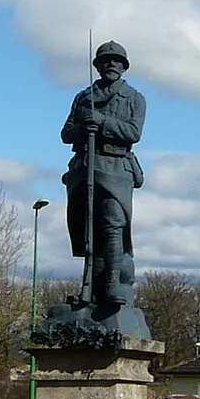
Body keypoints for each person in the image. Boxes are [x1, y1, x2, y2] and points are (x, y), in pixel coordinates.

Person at [61, 40, 145, 318]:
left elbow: (133, 133)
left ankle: (113, 284)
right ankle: (92, 290)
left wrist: (103, 122)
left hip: (116, 166)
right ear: (97, 66)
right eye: (105, 60)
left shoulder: (133, 97)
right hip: (86, 166)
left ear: (123, 66)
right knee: (89, 229)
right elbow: (66, 133)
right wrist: (84, 127)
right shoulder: (84, 97)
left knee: (113, 223)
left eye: (116, 60)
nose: (111, 64)